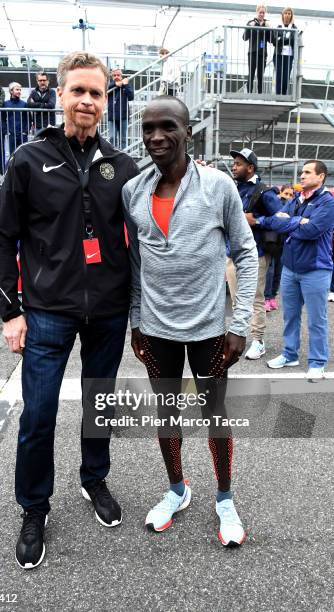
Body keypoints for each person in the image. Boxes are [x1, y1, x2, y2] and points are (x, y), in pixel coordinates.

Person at [0, 51, 139, 570]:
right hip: (48, 311)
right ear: (60, 95)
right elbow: (1, 238)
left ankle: (93, 478)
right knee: (38, 415)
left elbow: (143, 243)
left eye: (96, 93)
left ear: (105, 101)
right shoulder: (29, 159)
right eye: (78, 91)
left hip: (109, 312)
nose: (87, 101)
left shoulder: (122, 167)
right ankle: (34, 507)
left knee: (100, 406)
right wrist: (11, 312)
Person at [122, 96, 258, 545]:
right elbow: (137, 263)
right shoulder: (134, 191)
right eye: (148, 128)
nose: (156, 137)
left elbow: (246, 252)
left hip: (209, 331)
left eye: (167, 127)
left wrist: (240, 324)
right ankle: (177, 490)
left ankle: (224, 499)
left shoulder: (218, 186)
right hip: (157, 330)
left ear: (188, 132)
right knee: (167, 417)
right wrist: (137, 322)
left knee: (215, 415)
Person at [250, 160, 334, 380]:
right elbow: (275, 223)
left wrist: (291, 225)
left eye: (307, 172)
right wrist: (299, 222)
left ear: (321, 176)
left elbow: (313, 231)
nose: (302, 176)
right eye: (302, 172)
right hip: (290, 268)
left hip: (316, 269)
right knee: (290, 316)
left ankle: (317, 362)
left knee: (317, 320)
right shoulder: (296, 199)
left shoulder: (327, 202)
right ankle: (289, 355)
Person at [227, 148, 281, 360]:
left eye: (239, 164)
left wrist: (257, 220)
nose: (234, 166)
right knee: (236, 299)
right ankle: (239, 335)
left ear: (250, 168)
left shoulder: (264, 192)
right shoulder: (233, 188)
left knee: (255, 299)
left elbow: (280, 218)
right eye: (234, 163)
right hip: (231, 253)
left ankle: (258, 340)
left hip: (255, 254)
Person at [264, 184, 294, 311]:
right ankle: (266, 298)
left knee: (278, 272)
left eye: (290, 194)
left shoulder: (292, 207)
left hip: (282, 244)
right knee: (269, 272)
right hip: (271, 243)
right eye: (286, 193)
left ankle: (272, 297)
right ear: (280, 193)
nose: (288, 197)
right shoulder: (275, 205)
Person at [243, 5, 271, 94]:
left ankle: (260, 94)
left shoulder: (267, 24)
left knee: (260, 75)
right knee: (251, 73)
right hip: (252, 52)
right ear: (257, 12)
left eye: (263, 12)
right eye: (260, 12)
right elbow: (244, 37)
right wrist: (249, 27)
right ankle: (249, 93)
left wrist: (270, 29)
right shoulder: (251, 22)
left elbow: (271, 40)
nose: (262, 14)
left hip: (262, 53)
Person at [273, 7, 298, 96]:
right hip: (279, 55)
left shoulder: (294, 28)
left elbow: (293, 41)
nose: (287, 15)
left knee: (286, 77)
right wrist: (286, 40)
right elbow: (275, 42)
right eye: (285, 13)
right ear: (283, 15)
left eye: (289, 13)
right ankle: (277, 95)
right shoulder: (278, 27)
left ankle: (283, 95)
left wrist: (282, 40)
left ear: (291, 15)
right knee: (279, 76)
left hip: (289, 55)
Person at [107, 68, 134, 150]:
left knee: (123, 139)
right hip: (112, 116)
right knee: (112, 137)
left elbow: (131, 97)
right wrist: (115, 85)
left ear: (121, 76)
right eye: (114, 75)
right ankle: (114, 155)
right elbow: (104, 90)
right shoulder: (110, 85)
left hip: (123, 115)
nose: (116, 77)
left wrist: (125, 85)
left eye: (118, 75)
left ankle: (123, 155)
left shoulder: (126, 84)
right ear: (112, 77)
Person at [3, 83, 30, 159]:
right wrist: (6, 131)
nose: (19, 91)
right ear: (11, 91)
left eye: (20, 90)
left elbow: (28, 118)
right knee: (13, 155)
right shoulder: (6, 104)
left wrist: (26, 131)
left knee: (24, 154)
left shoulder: (24, 104)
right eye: (17, 89)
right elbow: (2, 118)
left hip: (22, 134)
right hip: (11, 134)